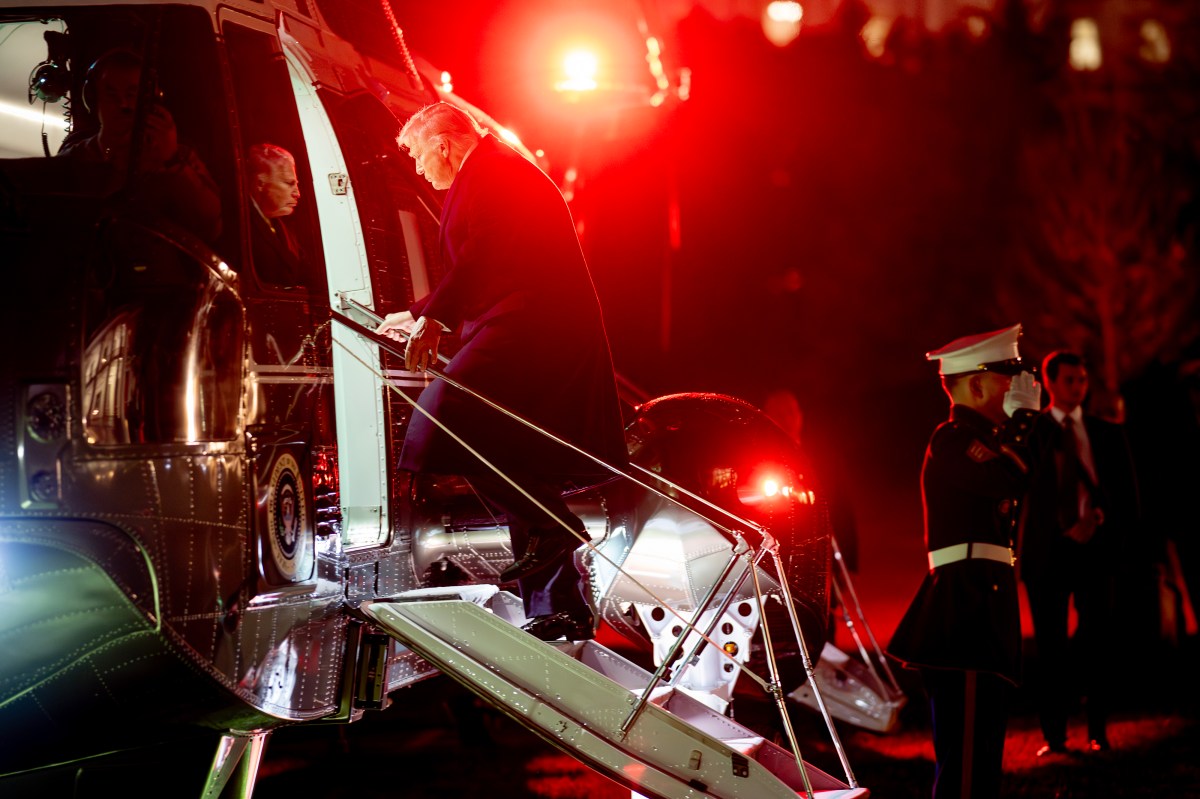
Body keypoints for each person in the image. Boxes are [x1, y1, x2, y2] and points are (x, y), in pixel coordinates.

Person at [375, 102, 627, 641]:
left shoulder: (495, 172)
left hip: (529, 332)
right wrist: (421, 312)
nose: (419, 169)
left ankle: (552, 528)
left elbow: (483, 255)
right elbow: (485, 260)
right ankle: (557, 605)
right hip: (524, 328)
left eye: (419, 156)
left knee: (447, 422)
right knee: (510, 457)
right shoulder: (494, 170)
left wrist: (434, 317)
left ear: (443, 144)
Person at [887, 323, 1041, 799]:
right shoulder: (952, 439)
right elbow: (1007, 482)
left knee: (982, 760)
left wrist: (1019, 429)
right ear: (975, 384)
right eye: (1005, 377)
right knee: (966, 765)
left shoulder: (990, 441)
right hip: (965, 608)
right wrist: (1020, 425)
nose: (1016, 388)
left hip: (984, 603)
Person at [1019, 351, 1140, 756]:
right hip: (1048, 553)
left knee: (1097, 640)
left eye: (1083, 380)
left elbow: (1127, 493)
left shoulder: (1106, 433)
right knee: (1050, 645)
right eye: (1070, 380)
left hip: (1096, 550)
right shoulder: (1032, 435)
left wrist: (1107, 527)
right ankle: (1054, 735)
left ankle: (1098, 729)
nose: (1078, 387)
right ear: (1051, 383)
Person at [57, 48, 221, 242]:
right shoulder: (74, 160)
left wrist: (172, 161)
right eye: (111, 94)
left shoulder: (178, 159)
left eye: (132, 94)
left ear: (150, 100)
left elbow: (210, 227)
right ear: (94, 100)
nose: (123, 104)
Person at [247, 143, 304, 286]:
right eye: (289, 183)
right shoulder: (240, 226)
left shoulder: (284, 227)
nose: (297, 193)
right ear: (260, 183)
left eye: (296, 184)